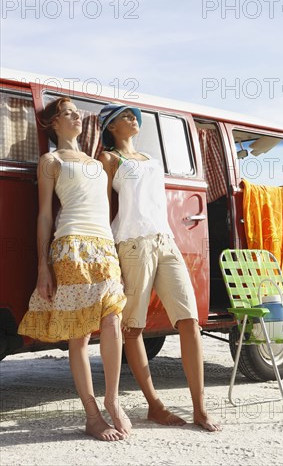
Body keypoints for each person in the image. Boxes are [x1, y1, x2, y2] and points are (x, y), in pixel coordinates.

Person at [98, 103, 221, 432]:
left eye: (134, 116)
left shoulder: (151, 160)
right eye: (125, 117)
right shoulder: (109, 159)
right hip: (132, 243)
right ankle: (154, 405)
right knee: (133, 328)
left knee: (190, 320)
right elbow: (101, 203)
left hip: (165, 240)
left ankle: (200, 408)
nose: (133, 120)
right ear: (110, 127)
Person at [18, 97, 132, 442]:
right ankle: (92, 414)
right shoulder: (50, 160)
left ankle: (112, 399)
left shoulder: (98, 162)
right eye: (68, 113)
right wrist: (43, 266)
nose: (76, 117)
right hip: (70, 246)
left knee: (113, 320)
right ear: (54, 123)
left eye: (77, 112)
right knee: (79, 333)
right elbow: (44, 215)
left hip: (104, 247)